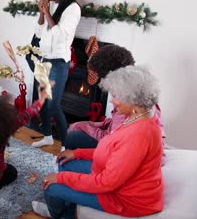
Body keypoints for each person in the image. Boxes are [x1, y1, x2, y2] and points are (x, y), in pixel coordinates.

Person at [32, 66, 164, 218]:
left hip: (123, 199)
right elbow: (114, 153)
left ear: (133, 100)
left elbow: (106, 183)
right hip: (117, 179)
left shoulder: (140, 135)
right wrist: (78, 153)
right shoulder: (137, 116)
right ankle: (67, 209)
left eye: (117, 96)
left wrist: (61, 179)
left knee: (51, 187)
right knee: (65, 163)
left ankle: (58, 214)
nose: (113, 101)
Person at [64, 45, 166, 165]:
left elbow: (112, 138)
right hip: (120, 146)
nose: (112, 100)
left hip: (120, 153)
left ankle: (72, 167)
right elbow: (116, 125)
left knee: (74, 136)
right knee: (76, 130)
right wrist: (93, 124)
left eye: (102, 77)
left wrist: (82, 126)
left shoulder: (129, 102)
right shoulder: (135, 90)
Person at [27, 0, 81, 148]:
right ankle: (48, 136)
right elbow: (39, 32)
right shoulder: (53, 5)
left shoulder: (72, 8)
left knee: (54, 104)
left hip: (58, 62)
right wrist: (42, 13)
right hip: (43, 60)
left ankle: (67, 144)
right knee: (42, 101)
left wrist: (47, 12)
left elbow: (61, 36)